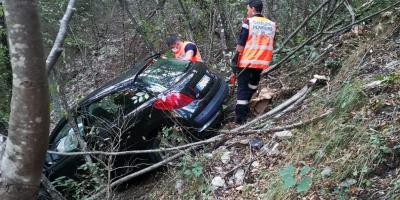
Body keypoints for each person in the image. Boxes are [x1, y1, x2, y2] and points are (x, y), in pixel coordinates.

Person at [231, 0, 276, 124]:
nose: (247, 11)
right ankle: (248, 103)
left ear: (253, 9)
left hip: (247, 61)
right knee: (253, 85)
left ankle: (240, 118)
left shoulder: (248, 22)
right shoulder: (271, 24)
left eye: (248, 9)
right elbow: (273, 42)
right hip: (261, 62)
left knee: (242, 88)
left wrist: (235, 59)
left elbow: (241, 44)